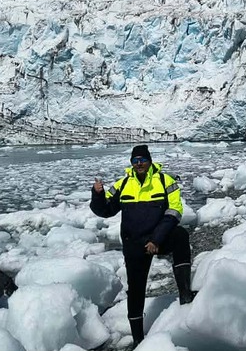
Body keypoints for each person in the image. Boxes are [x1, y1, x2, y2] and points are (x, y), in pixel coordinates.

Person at [90, 144, 193, 345]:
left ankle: (185, 293)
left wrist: (156, 239)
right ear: (132, 163)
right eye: (135, 161)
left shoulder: (165, 181)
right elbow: (105, 210)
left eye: (142, 160)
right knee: (136, 290)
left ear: (149, 161)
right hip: (134, 243)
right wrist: (98, 194)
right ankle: (138, 339)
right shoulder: (122, 184)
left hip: (157, 238)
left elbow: (175, 211)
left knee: (180, 236)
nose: (139, 164)